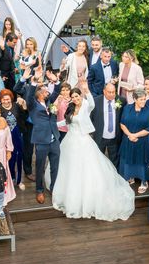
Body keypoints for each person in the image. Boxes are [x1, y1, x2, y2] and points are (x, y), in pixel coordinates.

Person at [51, 80, 135, 221]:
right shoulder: (70, 108)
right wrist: (52, 124)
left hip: (83, 141)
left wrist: (86, 90)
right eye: (74, 97)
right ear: (71, 98)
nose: (76, 99)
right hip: (70, 141)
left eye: (78, 96)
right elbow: (66, 121)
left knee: (87, 168)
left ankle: (88, 197)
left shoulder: (85, 106)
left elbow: (92, 104)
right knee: (71, 168)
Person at [23, 67, 61, 204]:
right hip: (41, 140)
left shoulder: (50, 101)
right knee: (40, 166)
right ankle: (39, 190)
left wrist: (55, 81)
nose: (47, 92)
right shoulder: (32, 104)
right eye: (44, 90)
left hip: (54, 138)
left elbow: (57, 90)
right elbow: (29, 95)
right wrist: (34, 81)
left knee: (55, 166)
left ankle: (54, 187)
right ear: (39, 93)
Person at [119, 88, 149, 194]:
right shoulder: (127, 108)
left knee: (142, 161)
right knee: (128, 158)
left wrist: (135, 135)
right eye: (141, 99)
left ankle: (144, 181)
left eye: (144, 99)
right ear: (134, 99)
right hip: (128, 138)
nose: (143, 101)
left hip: (143, 140)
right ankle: (130, 177)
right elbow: (122, 123)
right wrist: (130, 135)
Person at [89, 82, 126, 167]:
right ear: (104, 91)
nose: (112, 94)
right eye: (109, 92)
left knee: (114, 160)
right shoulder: (96, 101)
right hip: (100, 136)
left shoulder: (121, 101)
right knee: (98, 159)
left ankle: (115, 177)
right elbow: (91, 118)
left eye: (114, 92)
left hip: (115, 138)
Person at [0, 89, 27, 190]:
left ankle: (19, 180)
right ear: (0, 100)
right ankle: (10, 179)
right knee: (8, 158)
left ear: (11, 98)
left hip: (17, 134)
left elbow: (24, 116)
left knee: (19, 157)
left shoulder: (16, 106)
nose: (6, 101)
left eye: (8, 99)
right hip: (5, 136)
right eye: (3, 99)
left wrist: (24, 106)